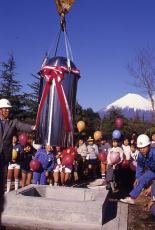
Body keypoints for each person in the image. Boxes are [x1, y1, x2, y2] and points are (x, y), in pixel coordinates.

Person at [0, 98, 35, 228]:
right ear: (0, 109)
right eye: (5, 109)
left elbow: (23, 126)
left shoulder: (12, 122)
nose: (8, 111)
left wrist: (33, 127)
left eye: (9, 109)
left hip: (3, 158)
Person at [120, 134, 155, 204]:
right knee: (141, 179)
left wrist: (152, 186)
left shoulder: (154, 153)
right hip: (153, 170)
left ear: (149, 146)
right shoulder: (140, 155)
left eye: (144, 147)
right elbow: (140, 167)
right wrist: (137, 178)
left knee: (153, 188)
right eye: (140, 148)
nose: (142, 150)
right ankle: (132, 198)